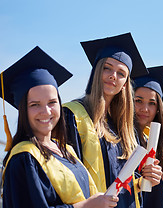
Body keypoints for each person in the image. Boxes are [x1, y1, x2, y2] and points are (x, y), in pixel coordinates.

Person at [1, 46, 118, 208]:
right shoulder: (24, 158)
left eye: (52, 102)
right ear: (23, 110)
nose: (46, 111)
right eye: (35, 104)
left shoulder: (66, 150)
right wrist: (87, 206)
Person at [63, 33, 161, 208]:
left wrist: (145, 179)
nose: (113, 76)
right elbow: (68, 175)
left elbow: (125, 180)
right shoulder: (73, 115)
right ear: (96, 71)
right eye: (107, 68)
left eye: (121, 73)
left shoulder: (126, 127)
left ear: (125, 84)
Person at [133, 65, 163, 207]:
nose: (145, 109)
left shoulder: (151, 140)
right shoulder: (118, 138)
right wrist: (161, 181)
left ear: (158, 109)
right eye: (138, 100)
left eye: (152, 103)